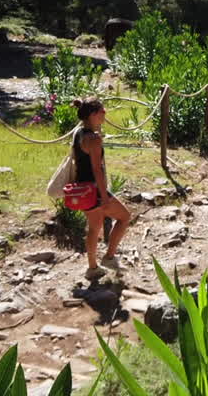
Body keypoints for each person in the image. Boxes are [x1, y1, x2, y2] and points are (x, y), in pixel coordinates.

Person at [71, 97, 130, 279]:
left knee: (94, 228)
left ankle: (92, 267)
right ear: (94, 114)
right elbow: (98, 169)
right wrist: (104, 196)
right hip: (95, 190)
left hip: (82, 187)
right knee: (125, 217)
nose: (105, 113)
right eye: (102, 111)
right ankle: (109, 257)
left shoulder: (79, 133)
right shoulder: (94, 139)